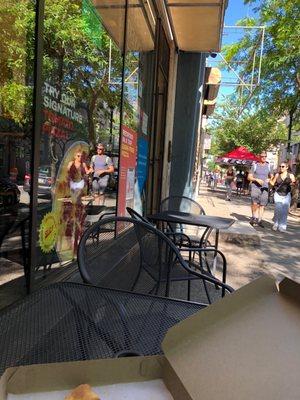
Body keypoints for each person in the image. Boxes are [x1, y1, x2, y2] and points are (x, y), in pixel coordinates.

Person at [248, 151, 273, 227]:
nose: (264, 158)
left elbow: (272, 176)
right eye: (262, 156)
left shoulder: (269, 166)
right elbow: (249, 177)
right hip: (255, 187)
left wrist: (270, 179)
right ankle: (254, 218)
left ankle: (259, 220)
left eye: (265, 156)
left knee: (262, 205)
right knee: (255, 203)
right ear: (259, 157)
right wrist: (256, 180)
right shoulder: (255, 166)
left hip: (265, 188)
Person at [270, 161, 295, 232]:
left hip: (287, 194)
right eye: (280, 166)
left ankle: (282, 226)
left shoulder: (291, 175)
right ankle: (276, 223)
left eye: (283, 166)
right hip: (278, 194)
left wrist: (292, 183)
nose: (281, 168)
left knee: (284, 211)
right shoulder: (277, 175)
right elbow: (272, 183)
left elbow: (294, 183)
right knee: (278, 208)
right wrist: (269, 181)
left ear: (287, 167)